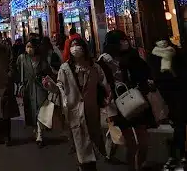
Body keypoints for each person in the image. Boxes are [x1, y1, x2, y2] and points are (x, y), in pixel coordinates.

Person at [98, 30, 155, 171]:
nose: (125, 42)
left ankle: (139, 163)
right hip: (118, 104)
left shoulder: (133, 56)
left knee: (143, 141)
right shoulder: (104, 61)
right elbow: (100, 84)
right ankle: (132, 166)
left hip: (137, 100)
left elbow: (145, 72)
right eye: (121, 40)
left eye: (125, 39)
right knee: (131, 143)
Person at [58, 38, 110, 170]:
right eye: (73, 46)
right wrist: (52, 87)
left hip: (91, 109)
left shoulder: (94, 66)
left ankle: (85, 166)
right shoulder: (65, 68)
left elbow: (103, 84)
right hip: (74, 110)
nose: (76, 48)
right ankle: (84, 166)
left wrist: (108, 98)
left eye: (78, 45)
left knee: (92, 139)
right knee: (80, 142)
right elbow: (60, 86)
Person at [16, 37, 53, 147]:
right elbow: (18, 71)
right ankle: (36, 129)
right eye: (27, 47)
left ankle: (40, 134)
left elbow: (47, 71)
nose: (29, 49)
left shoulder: (42, 59)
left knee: (41, 110)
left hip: (40, 87)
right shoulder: (22, 58)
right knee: (31, 111)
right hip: (28, 88)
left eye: (31, 47)